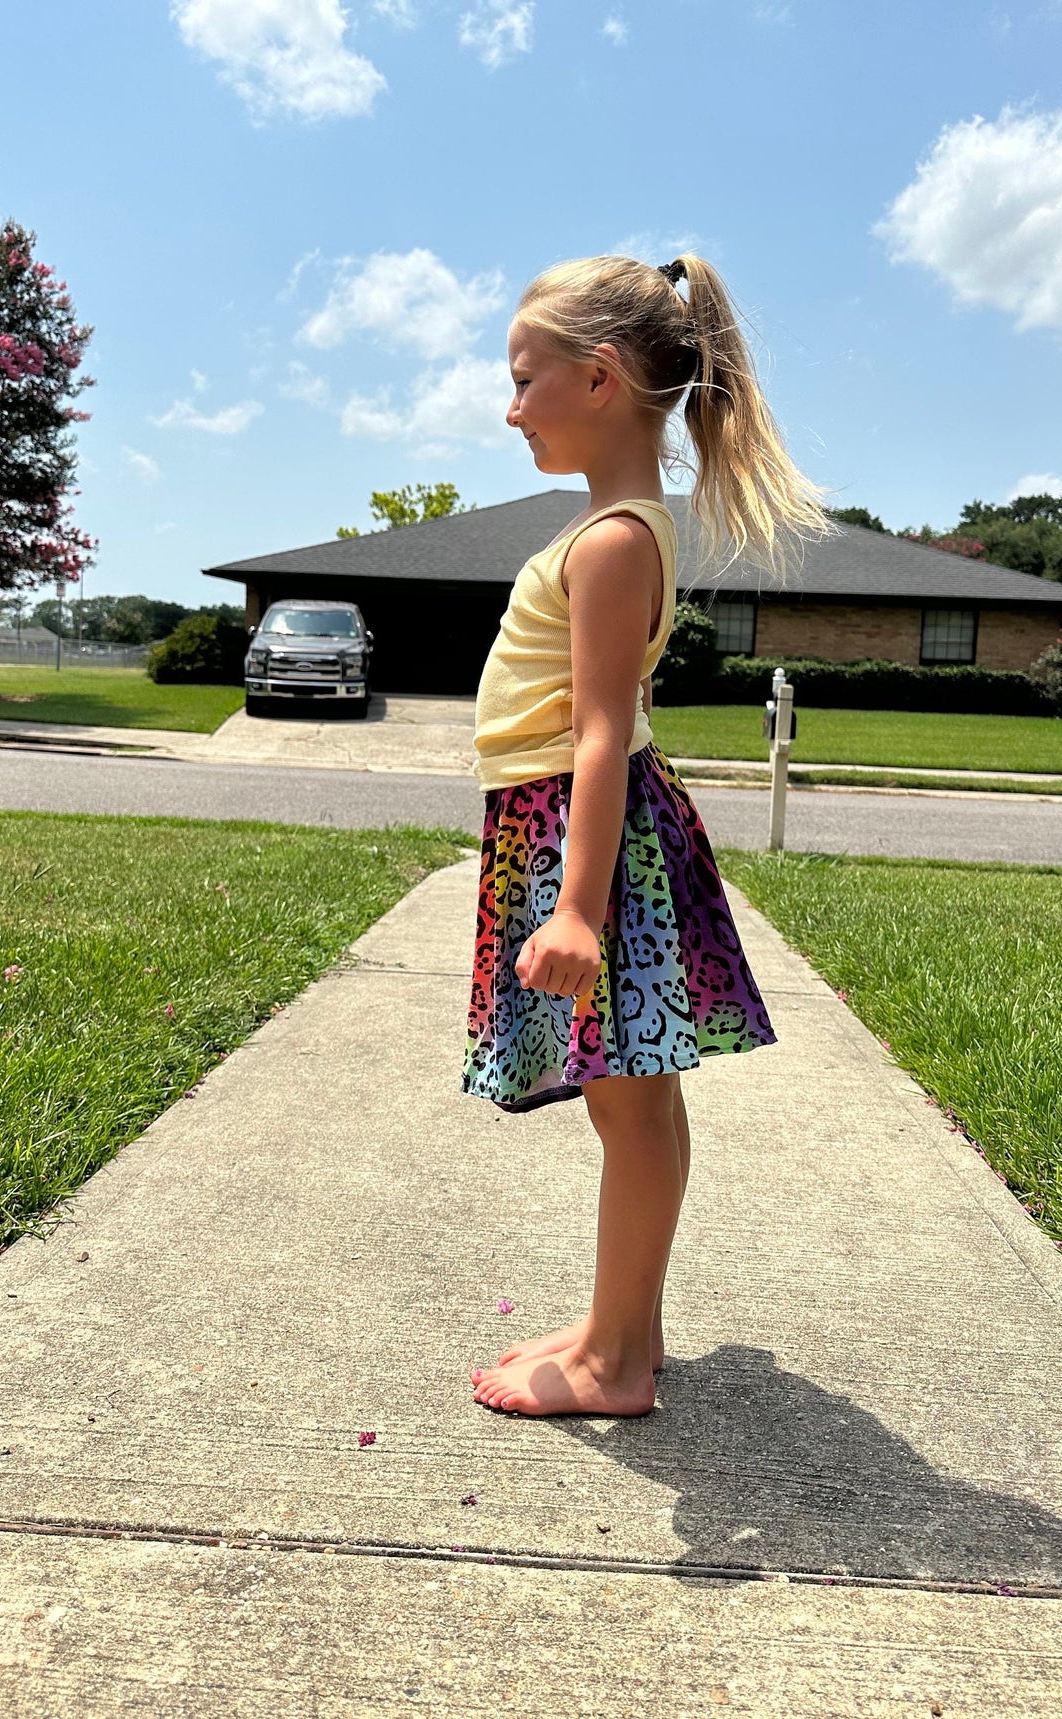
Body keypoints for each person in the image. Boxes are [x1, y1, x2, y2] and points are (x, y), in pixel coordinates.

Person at [463, 253, 824, 1418]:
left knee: (627, 1100)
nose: (509, 405)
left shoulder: (614, 540)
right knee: (637, 1095)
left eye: (525, 379)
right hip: (571, 822)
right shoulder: (615, 527)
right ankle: (628, 1326)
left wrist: (574, 904)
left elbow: (600, 735)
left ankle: (615, 1362)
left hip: (585, 831)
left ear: (600, 376)